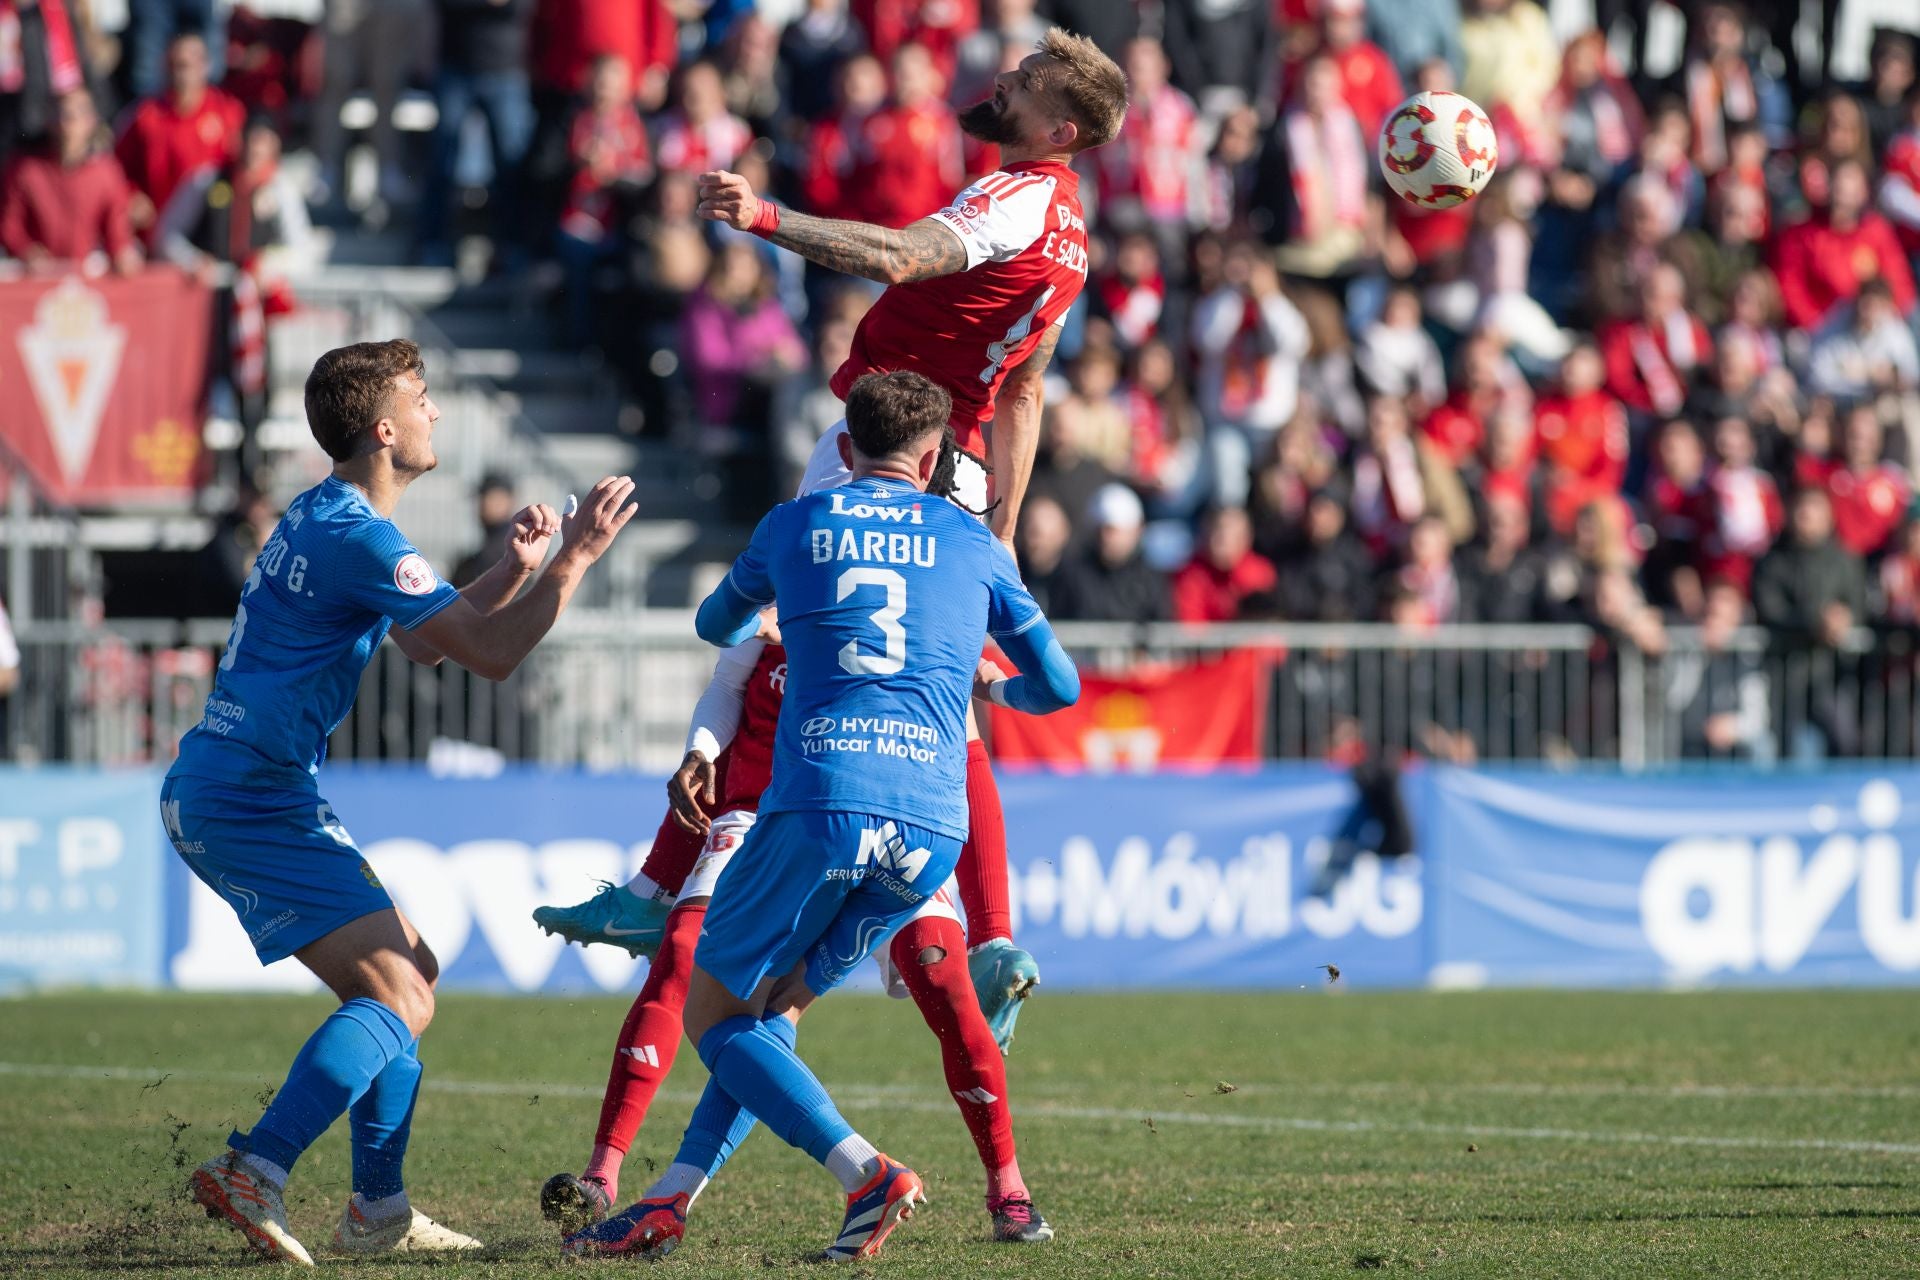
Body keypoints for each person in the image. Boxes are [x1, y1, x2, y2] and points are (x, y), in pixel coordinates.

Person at [563, 371, 1078, 1262]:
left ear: (843, 450)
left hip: (822, 804)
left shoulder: (796, 523)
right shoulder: (973, 541)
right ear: (932, 459)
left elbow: (715, 623)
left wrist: (782, 606)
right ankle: (669, 1201)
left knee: (716, 1012)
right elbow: (1061, 687)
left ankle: (867, 1175)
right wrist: (992, 680)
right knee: (772, 1012)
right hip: (929, 828)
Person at [691, 26, 1125, 1040]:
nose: (1002, 84)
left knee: (779, 641)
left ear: (1059, 126)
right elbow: (1024, 389)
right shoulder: (1075, 237)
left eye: (1024, 85)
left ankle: (690, 882)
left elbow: (895, 254)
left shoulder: (1015, 199)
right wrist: (1001, 525)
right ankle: (982, 929)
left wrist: (761, 215)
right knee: (946, 710)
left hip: (887, 447)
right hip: (960, 475)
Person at [164, 339, 636, 1264]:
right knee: (401, 992)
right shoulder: (360, 534)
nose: (436, 413)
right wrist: (574, 561)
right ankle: (256, 1169)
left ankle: (377, 1209)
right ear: (385, 429)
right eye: (423, 399)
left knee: (408, 968)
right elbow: (492, 659)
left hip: (238, 784)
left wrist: (514, 568)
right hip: (247, 794)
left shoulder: (328, 515)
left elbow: (428, 644)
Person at [113, 31, 241, 237]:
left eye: (186, 65)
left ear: (205, 66)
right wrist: (132, 196)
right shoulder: (146, 116)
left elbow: (245, 168)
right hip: (158, 231)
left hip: (212, 233)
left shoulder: (227, 113)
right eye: (173, 65)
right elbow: (115, 169)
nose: (179, 74)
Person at [0, 87, 140, 269]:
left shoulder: (106, 173)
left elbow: (117, 231)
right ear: (48, 121)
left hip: (85, 280)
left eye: (75, 115)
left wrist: (123, 254)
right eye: (60, 115)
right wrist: (26, 251)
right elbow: (9, 224)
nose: (67, 124)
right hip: (36, 279)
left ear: (91, 121)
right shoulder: (25, 170)